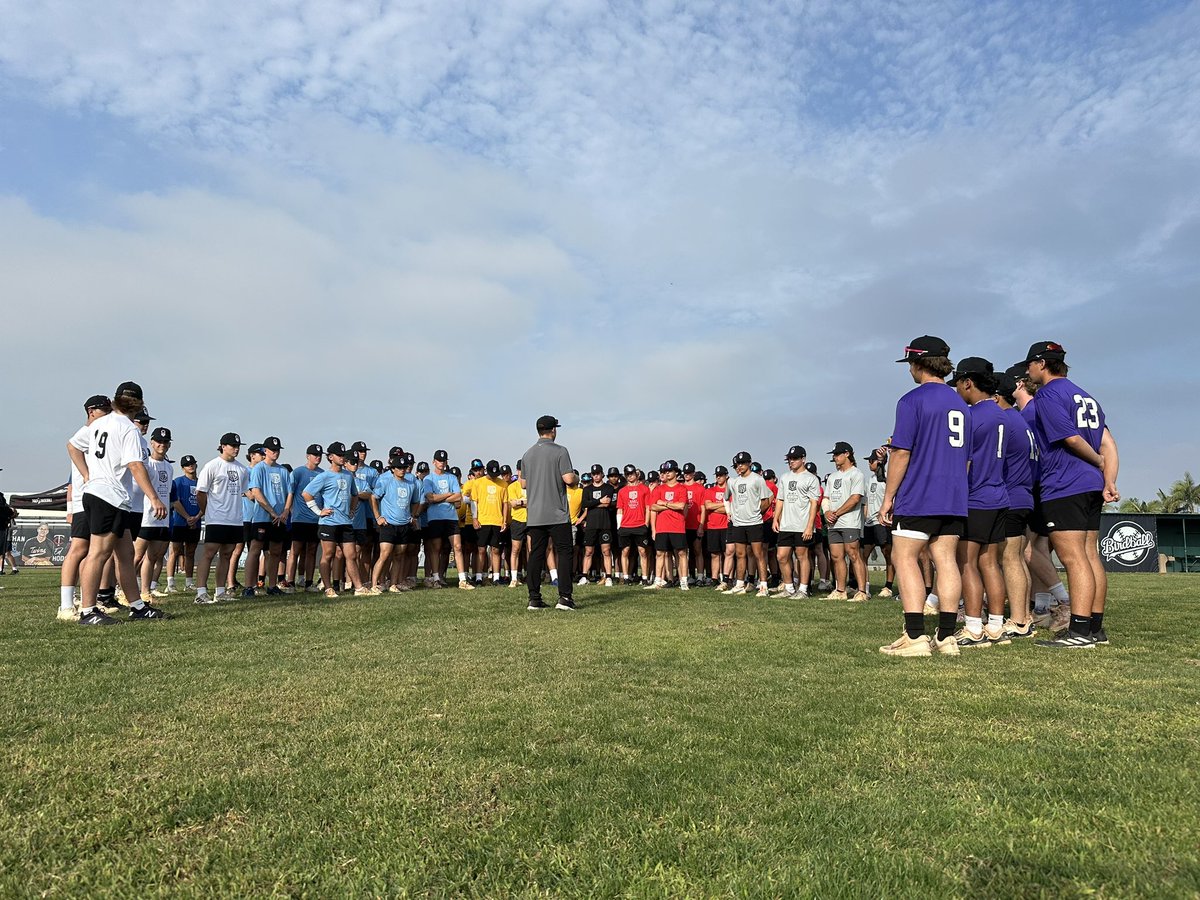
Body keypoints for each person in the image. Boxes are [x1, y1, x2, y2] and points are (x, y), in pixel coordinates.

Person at [1022, 341, 1119, 648]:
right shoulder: (1085, 395)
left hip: (1066, 484)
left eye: (1029, 365)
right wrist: (1108, 477)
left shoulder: (1049, 394)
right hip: (1089, 484)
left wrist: (1098, 462)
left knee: (1074, 558)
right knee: (1090, 556)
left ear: (1041, 364)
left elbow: (1072, 438)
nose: (1027, 371)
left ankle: (1078, 632)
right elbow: (1108, 442)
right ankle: (1094, 628)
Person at [878, 336, 969, 657]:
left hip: (920, 493)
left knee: (904, 557)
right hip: (955, 494)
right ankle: (946, 637)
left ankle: (915, 635)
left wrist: (888, 497)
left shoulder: (911, 401)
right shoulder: (961, 402)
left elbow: (901, 452)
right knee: (945, 560)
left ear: (918, 364)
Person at [66, 381, 170, 625]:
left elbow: (72, 445)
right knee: (99, 553)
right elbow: (135, 465)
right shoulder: (128, 429)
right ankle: (88, 610)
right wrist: (154, 497)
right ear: (140, 404)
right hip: (108, 496)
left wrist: (87, 474)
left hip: (103, 494)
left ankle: (137, 606)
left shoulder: (100, 422)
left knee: (126, 553)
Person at [949, 358, 1011, 648]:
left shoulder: (972, 416)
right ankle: (996, 626)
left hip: (977, 497)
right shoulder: (1001, 414)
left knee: (967, 563)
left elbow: (966, 462)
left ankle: (974, 627)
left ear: (968, 382)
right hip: (1000, 496)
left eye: (958, 384)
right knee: (990, 563)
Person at [60, 394, 112, 621]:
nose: (108, 414)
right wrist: (87, 475)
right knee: (78, 549)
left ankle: (86, 601)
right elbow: (71, 448)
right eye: (103, 410)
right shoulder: (86, 432)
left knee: (92, 551)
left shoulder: (101, 432)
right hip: (84, 500)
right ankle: (65, 605)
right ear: (91, 411)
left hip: (96, 499)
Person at [519, 415, 577, 610]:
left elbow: (523, 483)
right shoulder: (561, 451)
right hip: (557, 513)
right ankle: (565, 598)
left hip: (535, 514)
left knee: (536, 554)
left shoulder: (527, 454)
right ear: (553, 430)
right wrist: (576, 477)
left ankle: (534, 598)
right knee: (565, 552)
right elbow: (569, 479)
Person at [302, 443, 370, 596]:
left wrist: (352, 509)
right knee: (328, 555)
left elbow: (355, 494)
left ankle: (359, 588)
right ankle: (328, 588)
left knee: (351, 555)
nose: (342, 457)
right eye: (339, 455)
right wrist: (318, 511)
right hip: (329, 523)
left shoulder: (348, 475)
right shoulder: (324, 476)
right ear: (330, 457)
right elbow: (306, 494)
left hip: (345, 523)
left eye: (343, 455)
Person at [193, 433, 251, 604]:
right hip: (216, 517)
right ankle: (201, 592)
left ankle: (220, 591)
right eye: (232, 445)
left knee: (227, 554)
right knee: (209, 553)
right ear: (223, 446)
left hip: (234, 519)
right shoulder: (212, 466)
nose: (236, 449)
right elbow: (201, 492)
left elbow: (243, 492)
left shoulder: (241, 469)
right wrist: (206, 511)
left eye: (238, 446)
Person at [133, 425, 176, 602]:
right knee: (136, 556)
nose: (162, 445)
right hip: (147, 517)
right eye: (159, 441)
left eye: (165, 442)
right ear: (152, 442)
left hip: (162, 519)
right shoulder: (146, 464)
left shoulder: (169, 466)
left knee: (153, 556)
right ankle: (119, 589)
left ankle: (145, 591)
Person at [245, 436, 292, 597]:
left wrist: (285, 511)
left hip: (280, 518)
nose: (275, 453)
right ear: (265, 451)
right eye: (272, 450)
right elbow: (256, 492)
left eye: (277, 450)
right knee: (255, 550)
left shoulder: (283, 471)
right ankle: (249, 586)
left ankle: (272, 586)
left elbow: (290, 493)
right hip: (262, 517)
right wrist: (272, 512)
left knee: (275, 551)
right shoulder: (259, 468)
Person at [722, 451, 772, 597]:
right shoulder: (732, 481)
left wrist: (757, 513)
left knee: (758, 554)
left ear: (749, 463)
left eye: (742, 463)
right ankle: (739, 584)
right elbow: (726, 498)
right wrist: (729, 512)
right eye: (737, 464)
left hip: (754, 522)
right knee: (740, 554)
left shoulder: (757, 479)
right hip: (738, 523)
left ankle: (763, 585)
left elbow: (766, 500)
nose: (739, 466)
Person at [422, 450, 474, 590]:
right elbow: (430, 498)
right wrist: (448, 494)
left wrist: (439, 497)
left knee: (457, 547)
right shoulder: (429, 479)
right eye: (439, 460)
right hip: (435, 517)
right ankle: (436, 578)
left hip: (451, 517)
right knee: (436, 548)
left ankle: (462, 579)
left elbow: (458, 497)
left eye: (444, 461)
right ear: (434, 462)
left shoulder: (451, 478)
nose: (442, 463)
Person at [773, 446, 821, 598]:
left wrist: (809, 526)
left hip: (802, 524)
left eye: (794, 459)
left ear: (803, 459)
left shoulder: (810, 478)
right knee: (781, 556)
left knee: (802, 556)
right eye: (789, 459)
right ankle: (789, 588)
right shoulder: (785, 477)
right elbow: (780, 499)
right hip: (786, 524)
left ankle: (803, 589)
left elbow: (814, 504)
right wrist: (775, 518)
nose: (791, 462)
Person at [370, 455, 423, 591]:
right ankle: (374, 584)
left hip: (404, 525)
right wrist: (378, 517)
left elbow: (416, 501)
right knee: (385, 554)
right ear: (393, 469)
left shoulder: (411, 484)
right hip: (388, 525)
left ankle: (393, 584)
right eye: (399, 468)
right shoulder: (386, 482)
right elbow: (373, 497)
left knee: (399, 555)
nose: (402, 470)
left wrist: (413, 516)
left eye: (404, 467)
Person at [824, 442, 868, 602]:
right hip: (833, 523)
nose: (834, 457)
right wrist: (827, 512)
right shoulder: (833, 477)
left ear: (847, 454)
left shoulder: (856, 474)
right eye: (834, 455)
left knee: (854, 554)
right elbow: (826, 498)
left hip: (849, 522)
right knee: (836, 557)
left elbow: (855, 498)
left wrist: (836, 513)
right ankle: (840, 590)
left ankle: (862, 591)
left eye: (837, 454)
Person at [644, 460, 690, 591]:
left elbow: (681, 505)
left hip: (677, 526)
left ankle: (683, 581)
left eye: (669, 471)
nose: (667, 473)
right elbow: (653, 506)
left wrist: (663, 503)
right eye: (664, 471)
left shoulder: (681, 488)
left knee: (681, 553)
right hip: (662, 527)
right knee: (660, 553)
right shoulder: (659, 489)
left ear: (676, 472)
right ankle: (658, 580)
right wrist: (654, 529)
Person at [463, 459, 509, 585]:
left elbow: (505, 503)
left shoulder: (503, 484)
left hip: (497, 521)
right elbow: (474, 502)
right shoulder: (478, 483)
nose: (494, 477)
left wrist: (504, 521)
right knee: (481, 550)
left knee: (496, 550)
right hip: (483, 521)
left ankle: (496, 577)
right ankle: (478, 577)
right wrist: (474, 518)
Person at [861, 449, 894, 598]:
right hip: (870, 523)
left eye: (871, 460)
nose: (869, 463)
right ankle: (865, 587)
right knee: (863, 555)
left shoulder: (888, 478)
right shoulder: (870, 479)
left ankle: (888, 587)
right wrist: (866, 516)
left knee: (888, 554)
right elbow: (867, 501)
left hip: (882, 522)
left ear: (879, 462)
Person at [166, 455, 201, 593]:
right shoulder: (178, 482)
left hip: (196, 522)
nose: (190, 466)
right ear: (183, 468)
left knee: (190, 553)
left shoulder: (201, 483)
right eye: (187, 465)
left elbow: (205, 502)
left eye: (192, 463)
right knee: (175, 551)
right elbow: (176, 501)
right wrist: (187, 517)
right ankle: (170, 583)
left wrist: (197, 517)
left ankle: (189, 582)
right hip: (180, 522)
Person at [579, 464, 616, 586]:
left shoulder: (608, 488)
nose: (596, 476)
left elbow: (607, 504)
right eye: (594, 474)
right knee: (588, 551)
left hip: (605, 524)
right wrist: (599, 501)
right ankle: (584, 576)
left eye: (598, 473)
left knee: (606, 551)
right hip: (591, 524)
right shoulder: (587, 489)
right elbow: (585, 504)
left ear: (602, 474)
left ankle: (609, 577)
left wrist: (592, 504)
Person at [616, 464, 652, 584]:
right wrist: (619, 526)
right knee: (625, 551)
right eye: (627, 474)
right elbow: (620, 509)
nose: (630, 476)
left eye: (631, 473)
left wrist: (646, 524)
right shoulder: (622, 491)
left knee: (643, 551)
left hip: (640, 525)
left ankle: (645, 578)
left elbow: (648, 508)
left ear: (637, 474)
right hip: (625, 525)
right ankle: (626, 577)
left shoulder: (644, 489)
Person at [701, 465, 731, 588]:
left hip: (726, 526)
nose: (719, 477)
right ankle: (714, 578)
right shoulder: (710, 491)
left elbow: (731, 508)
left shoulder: (730, 491)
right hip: (713, 526)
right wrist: (724, 507)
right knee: (714, 554)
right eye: (717, 475)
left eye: (721, 475)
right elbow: (708, 506)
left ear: (726, 476)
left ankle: (727, 577)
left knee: (727, 553)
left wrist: (716, 507)